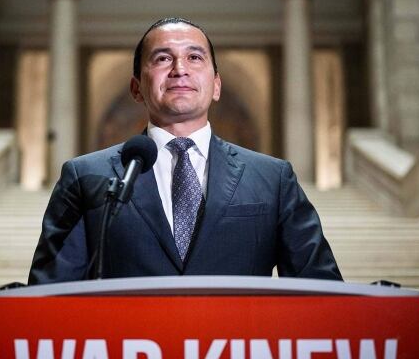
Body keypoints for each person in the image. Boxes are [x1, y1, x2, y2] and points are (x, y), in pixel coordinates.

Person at [28, 17, 341, 284]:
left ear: (216, 85)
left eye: (195, 58)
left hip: (236, 351)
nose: (180, 69)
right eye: (163, 58)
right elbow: (49, 295)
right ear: (136, 87)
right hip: (129, 351)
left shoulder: (273, 178)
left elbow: (323, 291)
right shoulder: (85, 177)